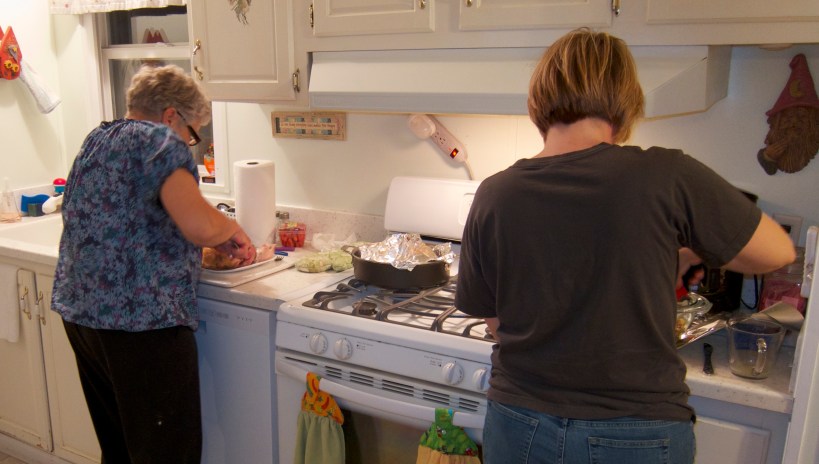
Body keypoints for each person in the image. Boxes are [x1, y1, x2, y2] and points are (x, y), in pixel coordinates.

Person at [454, 28, 796, 464]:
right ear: (624, 100)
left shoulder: (495, 193)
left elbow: (495, 322)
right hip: (635, 429)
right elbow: (777, 252)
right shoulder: (665, 174)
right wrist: (695, 250)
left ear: (538, 100)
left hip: (520, 421)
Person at [51, 64, 256, 464]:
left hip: (83, 315)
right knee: (166, 453)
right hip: (140, 325)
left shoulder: (99, 137)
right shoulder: (159, 141)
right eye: (192, 133)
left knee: (120, 448)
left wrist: (214, 231)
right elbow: (198, 224)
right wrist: (230, 227)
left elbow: (143, 213)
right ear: (170, 116)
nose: (189, 143)